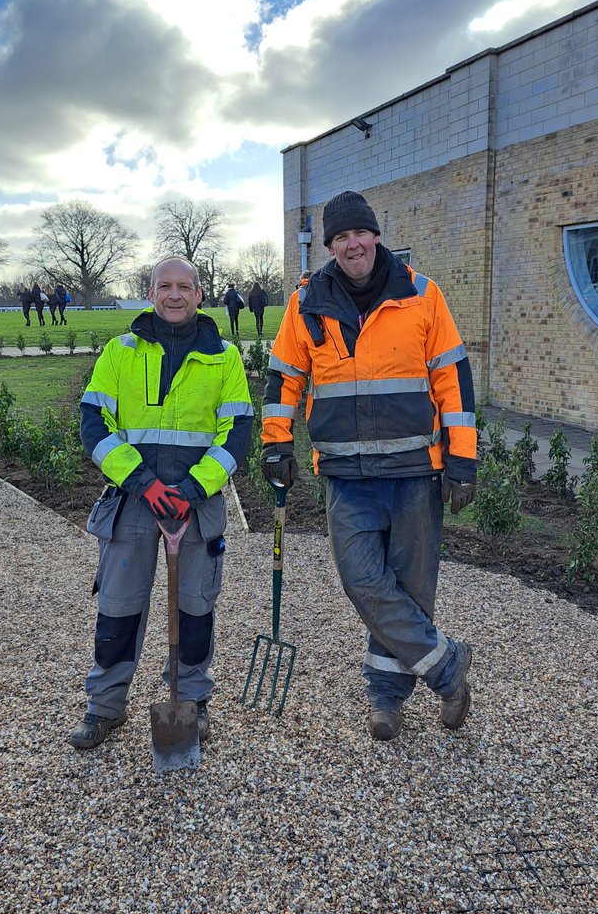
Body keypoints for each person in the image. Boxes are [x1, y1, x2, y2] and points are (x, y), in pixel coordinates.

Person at [261, 191, 477, 742]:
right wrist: (276, 443)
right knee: (361, 580)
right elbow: (284, 377)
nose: (351, 244)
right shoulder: (306, 301)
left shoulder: (423, 295)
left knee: (409, 587)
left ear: (376, 236)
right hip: (347, 476)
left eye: (360, 233)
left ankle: (386, 696)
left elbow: (452, 381)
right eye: (340, 238)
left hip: (414, 471)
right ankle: (447, 666)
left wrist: (463, 460)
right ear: (330, 247)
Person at [70, 256, 254, 751]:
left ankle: (192, 704)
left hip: (199, 504)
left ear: (199, 294)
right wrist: (144, 484)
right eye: (164, 286)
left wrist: (194, 488)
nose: (174, 295)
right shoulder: (119, 352)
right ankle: (105, 707)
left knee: (195, 609)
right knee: (118, 607)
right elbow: (94, 426)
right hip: (133, 502)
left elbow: (236, 431)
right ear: (150, 293)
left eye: (184, 287)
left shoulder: (225, 357)